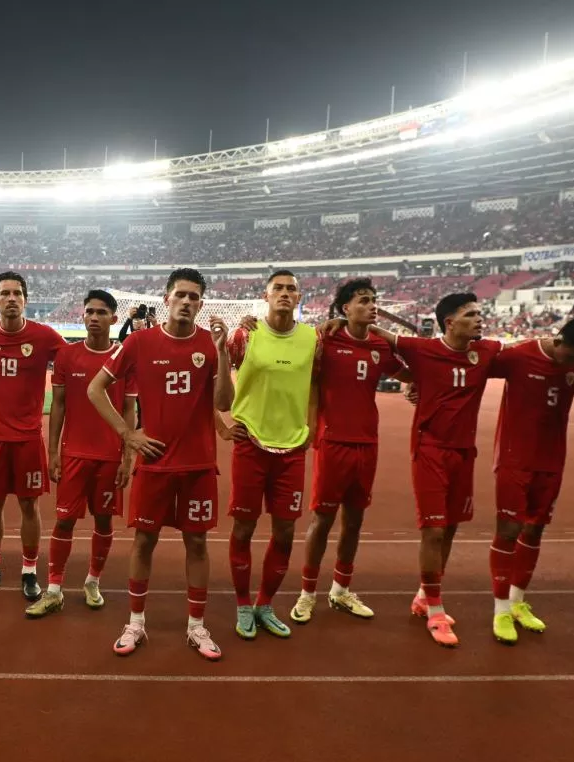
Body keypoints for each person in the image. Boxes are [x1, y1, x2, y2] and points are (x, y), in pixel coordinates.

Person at [88, 267, 231, 661]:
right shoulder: (139, 342)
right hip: (154, 463)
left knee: (197, 542)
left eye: (194, 297)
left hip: (199, 464)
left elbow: (224, 404)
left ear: (201, 304)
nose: (187, 302)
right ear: (166, 298)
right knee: (144, 541)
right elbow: (95, 389)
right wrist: (128, 434)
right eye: (181, 295)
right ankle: (136, 622)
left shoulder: (209, 343)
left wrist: (224, 355)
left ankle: (196, 626)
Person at [351, 292, 503, 648]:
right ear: (450, 322)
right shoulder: (422, 349)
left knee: (449, 528)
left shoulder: (488, 352)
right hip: (430, 450)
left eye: (480, 313)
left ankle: (424, 594)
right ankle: (435, 608)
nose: (480, 319)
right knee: (433, 531)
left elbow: (531, 356)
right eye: (472, 314)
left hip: (465, 452)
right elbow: (379, 332)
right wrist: (339, 321)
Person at [293, 278, 403, 626]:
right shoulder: (325, 339)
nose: (372, 306)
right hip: (333, 442)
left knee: (355, 520)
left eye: (374, 300)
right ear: (345, 308)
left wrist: (413, 386)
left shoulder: (381, 347)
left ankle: (341, 589)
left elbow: (412, 373)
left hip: (367, 443)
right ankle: (307, 593)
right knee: (322, 520)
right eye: (364, 301)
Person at [486, 317, 574, 643]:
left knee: (535, 528)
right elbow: (472, 372)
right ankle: (500, 610)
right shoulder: (519, 356)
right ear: (559, 340)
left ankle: (517, 601)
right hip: (514, 458)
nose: (573, 364)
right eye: (570, 356)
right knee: (508, 530)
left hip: (551, 458)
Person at [218, 270, 317, 640]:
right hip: (250, 444)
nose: (285, 293)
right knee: (243, 527)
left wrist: (313, 427)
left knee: (286, 531)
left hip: (292, 448)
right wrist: (221, 426)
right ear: (266, 295)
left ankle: (265, 604)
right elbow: (214, 381)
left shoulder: (312, 338)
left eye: (292, 289)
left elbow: (317, 384)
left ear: (299, 296)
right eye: (279, 288)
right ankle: (243, 603)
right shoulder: (246, 334)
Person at [26, 289, 135, 618]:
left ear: (114, 318)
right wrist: (54, 451)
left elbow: (130, 409)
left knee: (103, 520)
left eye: (102, 312)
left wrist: (128, 457)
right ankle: (54, 589)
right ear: (82, 316)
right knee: (64, 520)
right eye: (89, 311)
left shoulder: (125, 357)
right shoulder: (67, 357)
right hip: (74, 454)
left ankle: (92, 581)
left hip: (110, 456)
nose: (94, 317)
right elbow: (57, 406)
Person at [0, 271, 67, 600]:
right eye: (5, 293)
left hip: (27, 439)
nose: (11, 298)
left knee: (29, 505)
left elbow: (73, 361)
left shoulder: (45, 336)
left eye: (17, 293)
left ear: (25, 299)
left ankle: (29, 571)